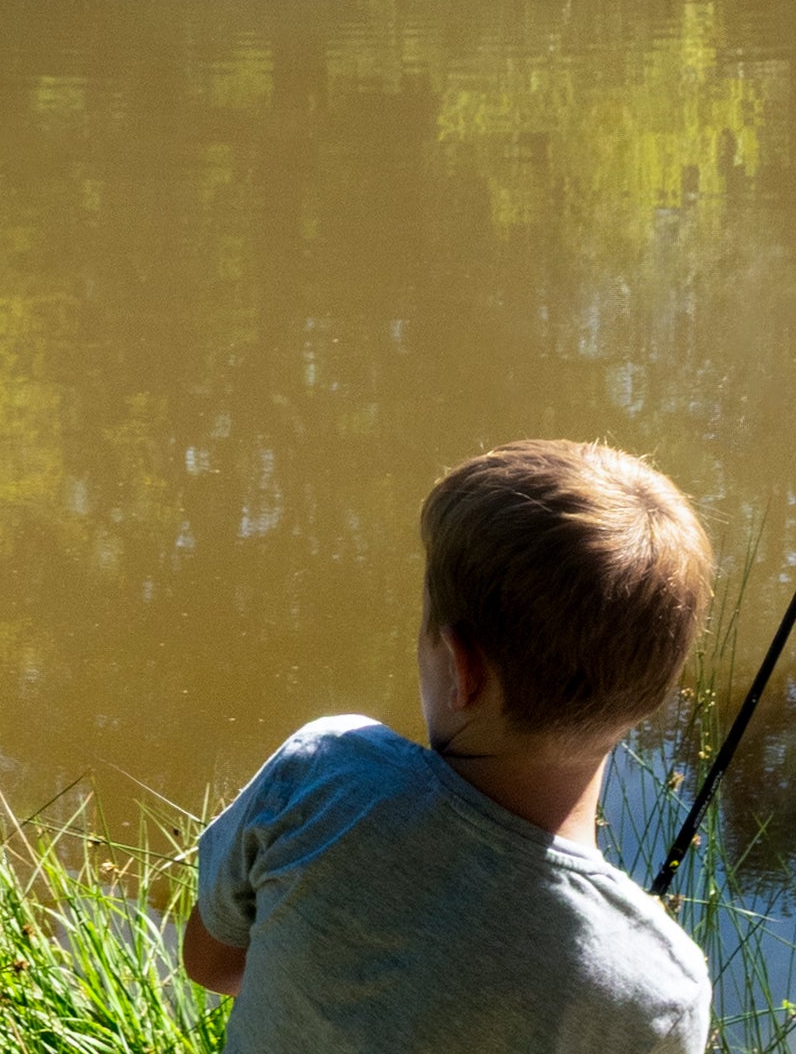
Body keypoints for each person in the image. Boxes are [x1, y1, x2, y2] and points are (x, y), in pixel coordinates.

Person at [182, 438, 716, 1053]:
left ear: (463, 669)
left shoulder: (323, 773)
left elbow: (211, 961)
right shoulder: (660, 991)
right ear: (652, 696)